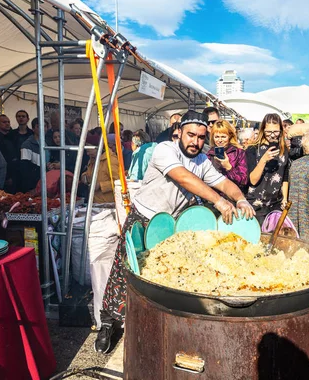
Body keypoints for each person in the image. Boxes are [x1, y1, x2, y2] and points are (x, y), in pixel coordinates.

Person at [96, 110, 255, 354]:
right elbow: (183, 178)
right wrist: (220, 202)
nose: (196, 142)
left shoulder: (202, 160)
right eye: (191, 135)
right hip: (143, 218)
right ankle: (109, 322)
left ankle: (153, 327)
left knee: (161, 278)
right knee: (124, 271)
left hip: (170, 226)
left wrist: (240, 199)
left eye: (202, 137)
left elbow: (223, 183)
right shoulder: (164, 150)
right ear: (179, 132)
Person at [245, 113, 290, 224]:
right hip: (256, 205)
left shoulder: (284, 150)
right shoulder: (253, 150)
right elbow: (252, 180)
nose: (273, 135)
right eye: (269, 132)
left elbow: (284, 177)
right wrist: (263, 160)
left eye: (276, 131)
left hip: (275, 204)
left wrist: (284, 198)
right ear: (262, 130)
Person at [206, 120, 248, 191]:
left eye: (223, 136)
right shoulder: (209, 155)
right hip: (215, 197)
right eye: (216, 137)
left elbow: (244, 180)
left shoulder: (238, 153)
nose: (220, 140)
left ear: (229, 136)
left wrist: (228, 167)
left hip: (234, 195)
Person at [0, 114, 18, 192]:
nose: (7, 124)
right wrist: (7, 177)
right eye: (4, 122)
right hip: (1, 176)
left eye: (8, 122)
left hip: (13, 173)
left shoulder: (11, 136)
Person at [19, 118, 42, 193]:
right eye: (39, 126)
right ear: (33, 129)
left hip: (43, 181)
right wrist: (30, 187)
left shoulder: (46, 144)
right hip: (32, 185)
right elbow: (25, 168)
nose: (42, 128)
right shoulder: (27, 144)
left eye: (45, 126)